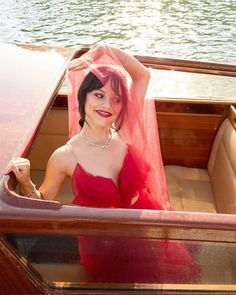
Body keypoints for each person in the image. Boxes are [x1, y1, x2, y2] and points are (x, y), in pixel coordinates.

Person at [7, 44, 199, 283]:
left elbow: (142, 75)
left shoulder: (125, 131)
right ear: (83, 97)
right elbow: (44, 204)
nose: (107, 105)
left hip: (144, 222)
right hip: (106, 244)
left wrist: (105, 49)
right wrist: (25, 182)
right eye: (99, 95)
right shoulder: (65, 156)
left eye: (116, 99)